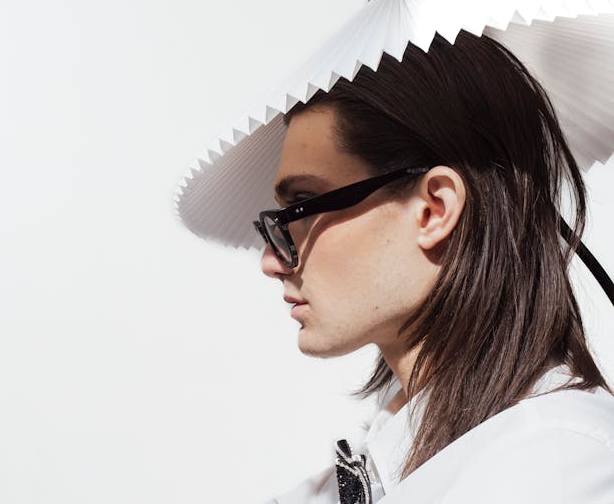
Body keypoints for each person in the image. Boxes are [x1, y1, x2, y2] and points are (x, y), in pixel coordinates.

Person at [249, 30, 614, 503]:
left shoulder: (552, 461)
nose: (271, 260)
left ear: (434, 210)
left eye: (304, 204)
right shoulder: (378, 463)